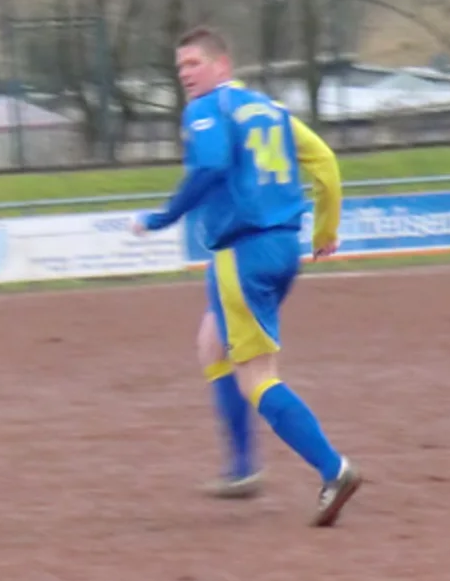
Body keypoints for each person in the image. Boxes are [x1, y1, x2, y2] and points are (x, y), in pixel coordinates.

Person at [133, 26, 361, 525]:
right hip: (283, 248)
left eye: (193, 64)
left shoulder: (207, 111)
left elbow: (211, 167)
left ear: (222, 65)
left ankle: (333, 468)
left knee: (257, 377)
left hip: (242, 254)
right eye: (180, 68)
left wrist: (162, 218)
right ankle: (241, 470)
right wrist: (326, 228)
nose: (185, 75)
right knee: (212, 344)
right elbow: (323, 161)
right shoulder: (271, 112)